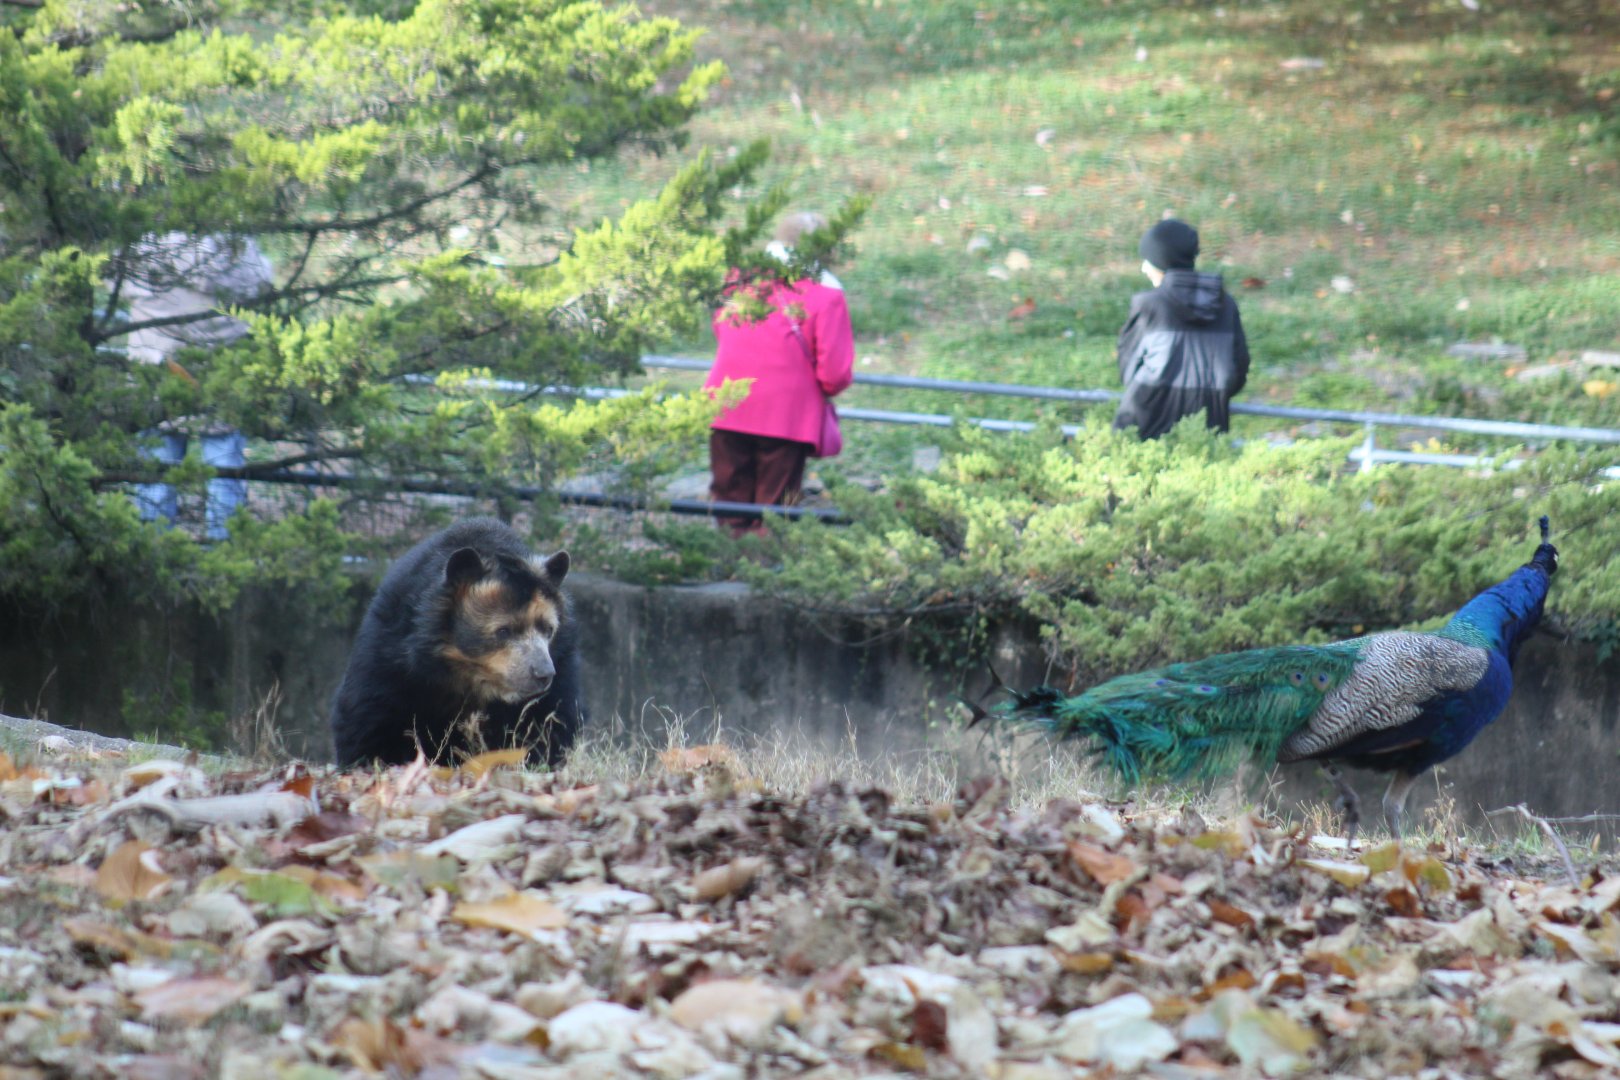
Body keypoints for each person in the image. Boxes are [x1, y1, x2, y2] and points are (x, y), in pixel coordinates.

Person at [703, 212, 854, 538]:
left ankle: (728, 556)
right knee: (776, 510)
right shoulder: (826, 293)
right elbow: (835, 372)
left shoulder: (738, 278)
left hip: (727, 402)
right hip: (787, 415)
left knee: (729, 498)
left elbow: (721, 327)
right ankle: (763, 562)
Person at [119, 232, 274, 540]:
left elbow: (117, 280)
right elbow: (262, 282)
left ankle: (154, 547)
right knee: (224, 469)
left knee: (156, 469)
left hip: (158, 367)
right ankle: (224, 551)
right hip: (220, 373)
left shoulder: (151, 241)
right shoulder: (235, 245)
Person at [1113, 218, 1250, 440]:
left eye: (1148, 261)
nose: (1144, 268)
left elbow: (1128, 368)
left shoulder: (1149, 305)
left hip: (1144, 428)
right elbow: (1238, 370)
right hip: (1208, 427)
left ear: (1162, 261)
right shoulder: (1226, 305)